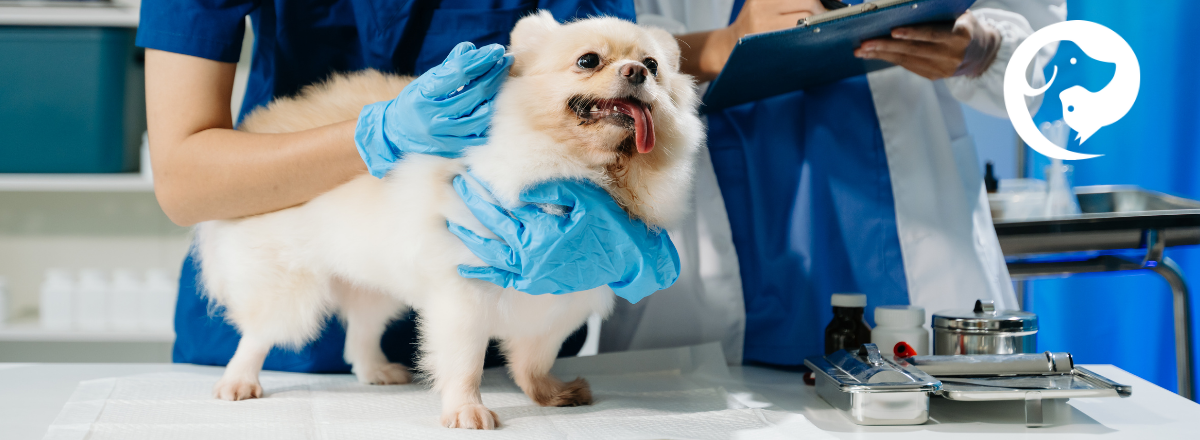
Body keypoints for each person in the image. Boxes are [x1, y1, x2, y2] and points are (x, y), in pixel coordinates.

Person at [138, 0, 683, 372]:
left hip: (497, 356)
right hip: (279, 304)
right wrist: (378, 136)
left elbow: (603, 69)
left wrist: (614, 228)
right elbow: (186, 183)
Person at [601, 0, 1065, 366]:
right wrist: (720, 44)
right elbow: (566, 61)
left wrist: (985, 47)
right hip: (704, 244)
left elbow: (1030, 42)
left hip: (904, 222)